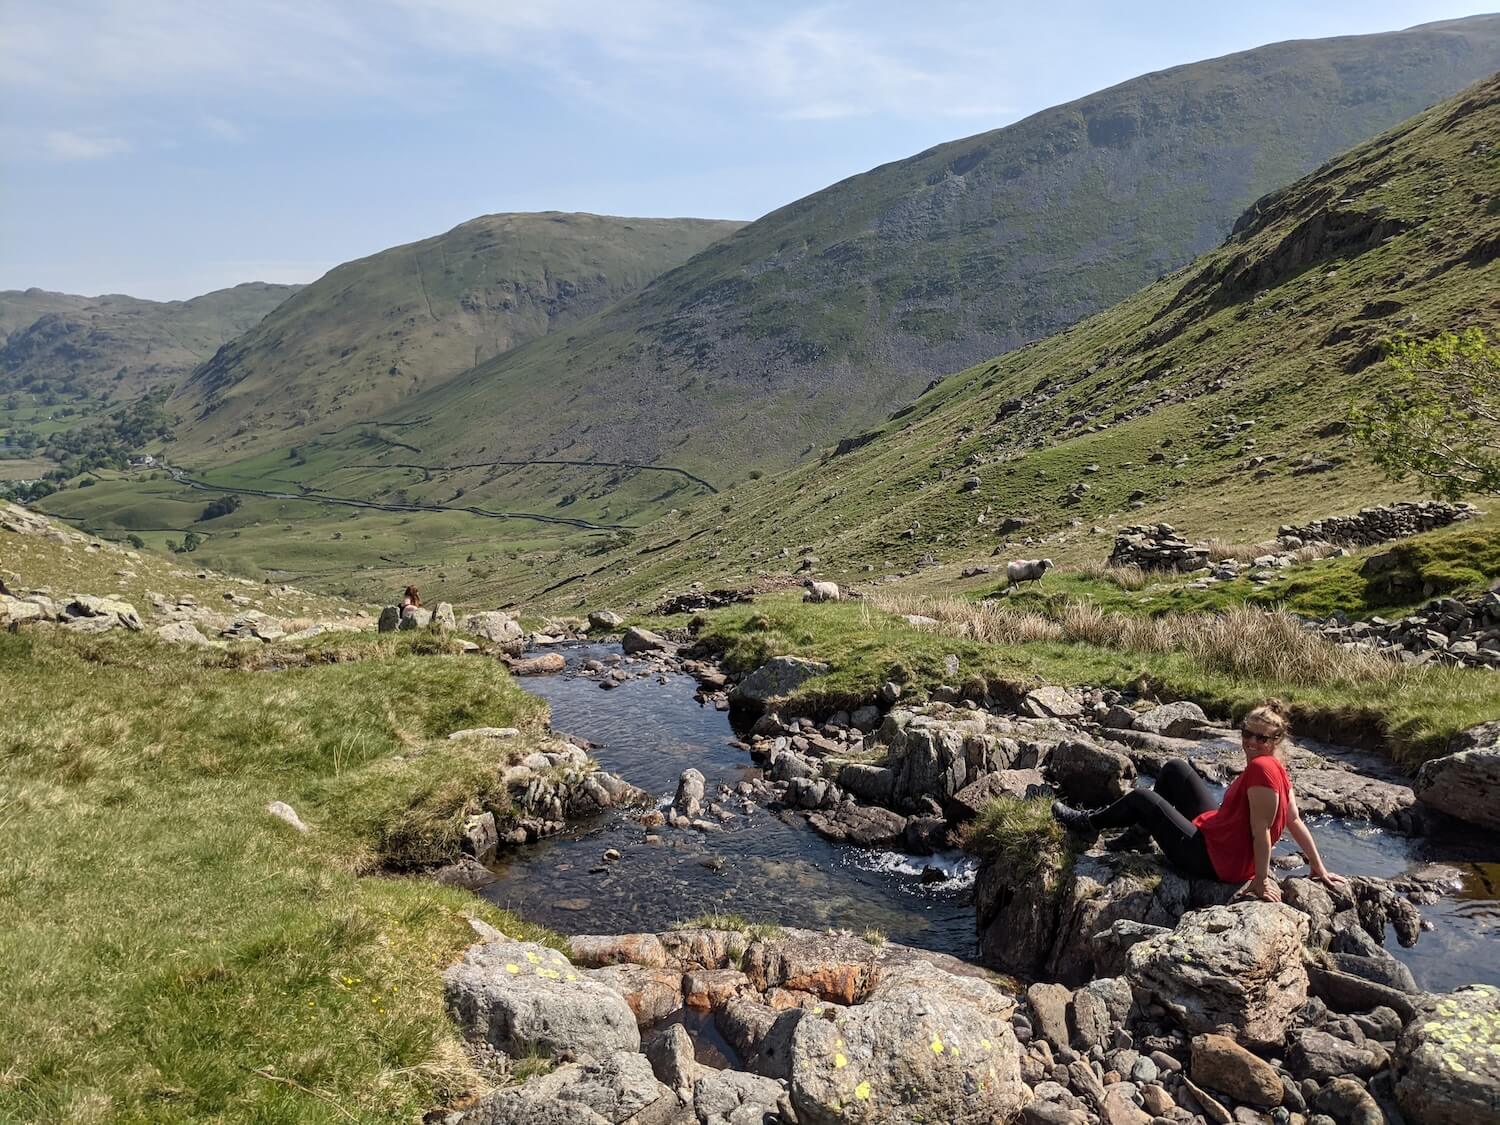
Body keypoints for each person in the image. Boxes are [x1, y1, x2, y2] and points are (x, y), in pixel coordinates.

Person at [1050, 700, 1345, 901]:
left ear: (1275, 740)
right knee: (1176, 769)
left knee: (1142, 798)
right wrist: (1317, 867)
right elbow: (1293, 820)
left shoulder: (1261, 769)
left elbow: (1262, 833)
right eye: (1248, 734)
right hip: (1220, 838)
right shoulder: (1277, 766)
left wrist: (1260, 881)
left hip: (1215, 862)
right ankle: (1139, 837)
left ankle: (1087, 824)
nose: (1252, 742)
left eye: (1262, 738)